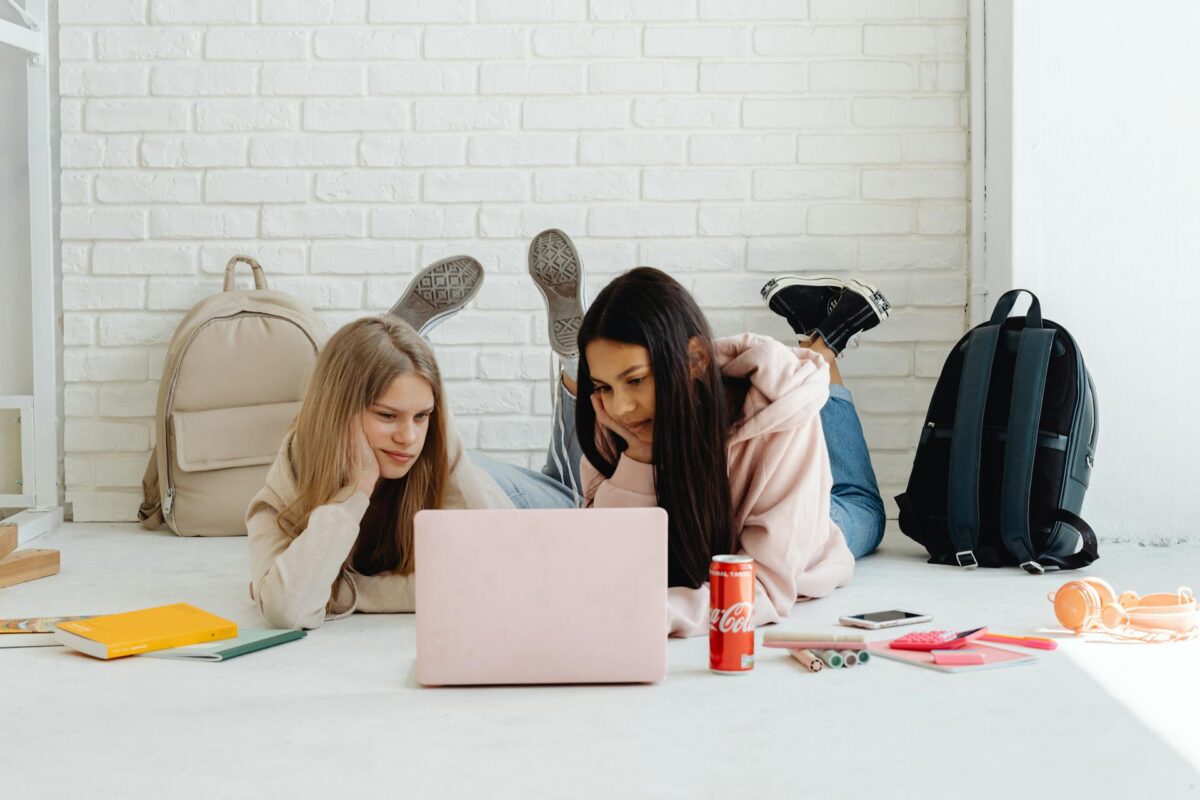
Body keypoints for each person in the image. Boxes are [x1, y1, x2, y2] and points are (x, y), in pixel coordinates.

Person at [246, 250, 584, 630]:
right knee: (574, 490)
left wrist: (339, 592)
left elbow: (506, 568)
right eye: (386, 414)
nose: (408, 436)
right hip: (457, 472)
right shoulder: (290, 475)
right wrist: (355, 493)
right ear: (338, 414)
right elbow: (286, 609)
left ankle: (576, 367)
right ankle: (387, 349)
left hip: (494, 494)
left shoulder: (432, 440)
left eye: (420, 415)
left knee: (575, 500)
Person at [555, 258, 890, 637]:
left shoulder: (775, 413)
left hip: (806, 524)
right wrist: (639, 459)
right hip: (740, 519)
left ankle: (824, 348)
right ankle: (819, 335)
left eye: (635, 380)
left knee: (863, 508)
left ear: (695, 361)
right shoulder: (617, 420)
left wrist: (649, 614)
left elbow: (766, 587)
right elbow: (610, 560)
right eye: (604, 386)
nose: (619, 407)